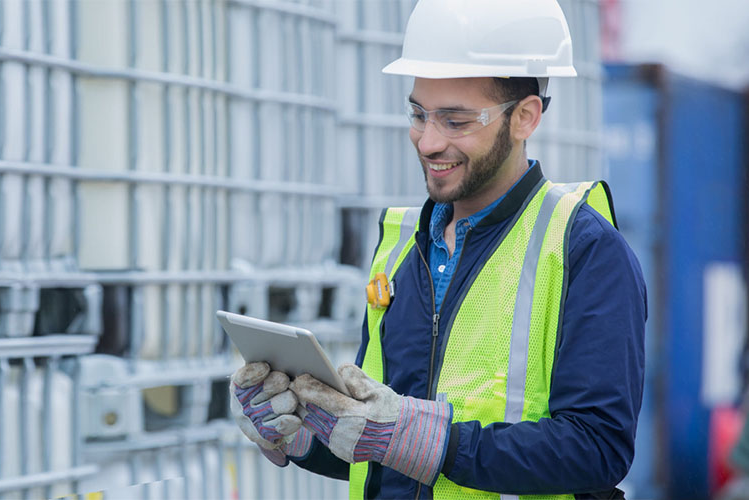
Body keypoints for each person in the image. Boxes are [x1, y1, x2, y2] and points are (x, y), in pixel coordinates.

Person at [230, 0, 647, 498]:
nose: (427, 141)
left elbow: (597, 449)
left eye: (455, 121)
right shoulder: (402, 248)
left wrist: (428, 440)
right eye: (418, 114)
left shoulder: (585, 250)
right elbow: (387, 455)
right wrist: (303, 433)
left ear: (525, 118)